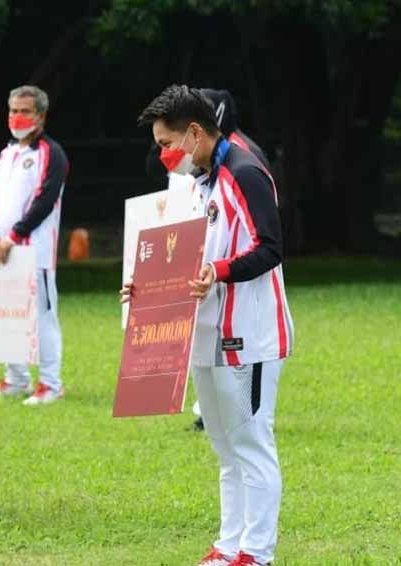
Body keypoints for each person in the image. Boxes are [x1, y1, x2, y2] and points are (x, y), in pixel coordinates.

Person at [126, 85, 294, 566]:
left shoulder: (245, 172)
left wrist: (218, 272)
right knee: (224, 447)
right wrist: (143, 288)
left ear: (195, 133)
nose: (162, 154)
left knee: (251, 443)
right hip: (205, 332)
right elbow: (186, 255)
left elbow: (270, 248)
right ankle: (228, 546)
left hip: (251, 334)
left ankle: (256, 553)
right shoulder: (200, 180)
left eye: (166, 143)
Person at [0, 85, 69, 406]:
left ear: (41, 116)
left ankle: (50, 383)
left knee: (42, 317)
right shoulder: (7, 153)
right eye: (12, 111)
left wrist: (14, 236)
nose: (17, 117)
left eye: (25, 111)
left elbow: (44, 200)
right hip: (0, 248)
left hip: (36, 250)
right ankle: (16, 379)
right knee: (8, 315)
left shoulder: (51, 153)